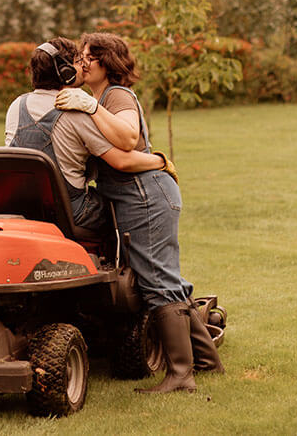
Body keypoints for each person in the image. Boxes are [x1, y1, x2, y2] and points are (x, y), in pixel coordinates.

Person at [55, 31, 223, 393]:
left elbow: (129, 138)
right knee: (165, 278)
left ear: (107, 63)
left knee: (156, 282)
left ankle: (181, 376)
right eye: (80, 56)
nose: (80, 62)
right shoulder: (100, 97)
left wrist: (91, 107)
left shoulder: (116, 95)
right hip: (140, 195)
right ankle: (207, 361)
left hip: (145, 196)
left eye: (88, 57)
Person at [4, 37, 172, 231]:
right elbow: (121, 160)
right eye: (77, 61)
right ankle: (118, 259)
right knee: (121, 209)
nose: (82, 65)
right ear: (65, 72)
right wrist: (161, 162)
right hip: (69, 211)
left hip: (23, 206)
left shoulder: (16, 106)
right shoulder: (75, 112)